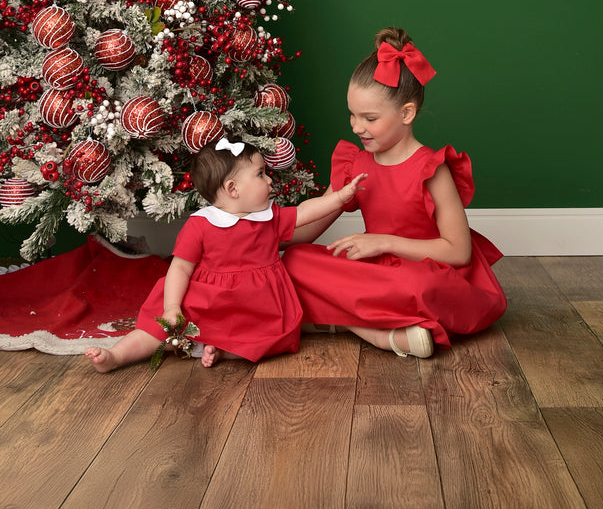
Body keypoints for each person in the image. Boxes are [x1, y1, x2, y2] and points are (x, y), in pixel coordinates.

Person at [281, 28, 507, 359]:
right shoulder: (355, 163)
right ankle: (377, 332)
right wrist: (261, 237)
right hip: (375, 272)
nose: (357, 127)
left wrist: (383, 242)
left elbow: (459, 253)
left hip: (426, 272)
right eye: (352, 115)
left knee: (421, 288)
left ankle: (342, 320)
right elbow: (307, 228)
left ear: (406, 113)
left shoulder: (432, 170)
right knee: (295, 261)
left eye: (369, 118)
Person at [85, 137, 363, 372]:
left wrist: (339, 198)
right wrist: (172, 306)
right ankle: (117, 356)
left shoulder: (268, 217)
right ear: (233, 189)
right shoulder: (201, 225)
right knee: (155, 329)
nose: (269, 181)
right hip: (208, 300)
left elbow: (304, 212)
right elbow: (180, 268)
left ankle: (224, 352)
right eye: (261, 174)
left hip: (256, 304)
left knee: (274, 336)